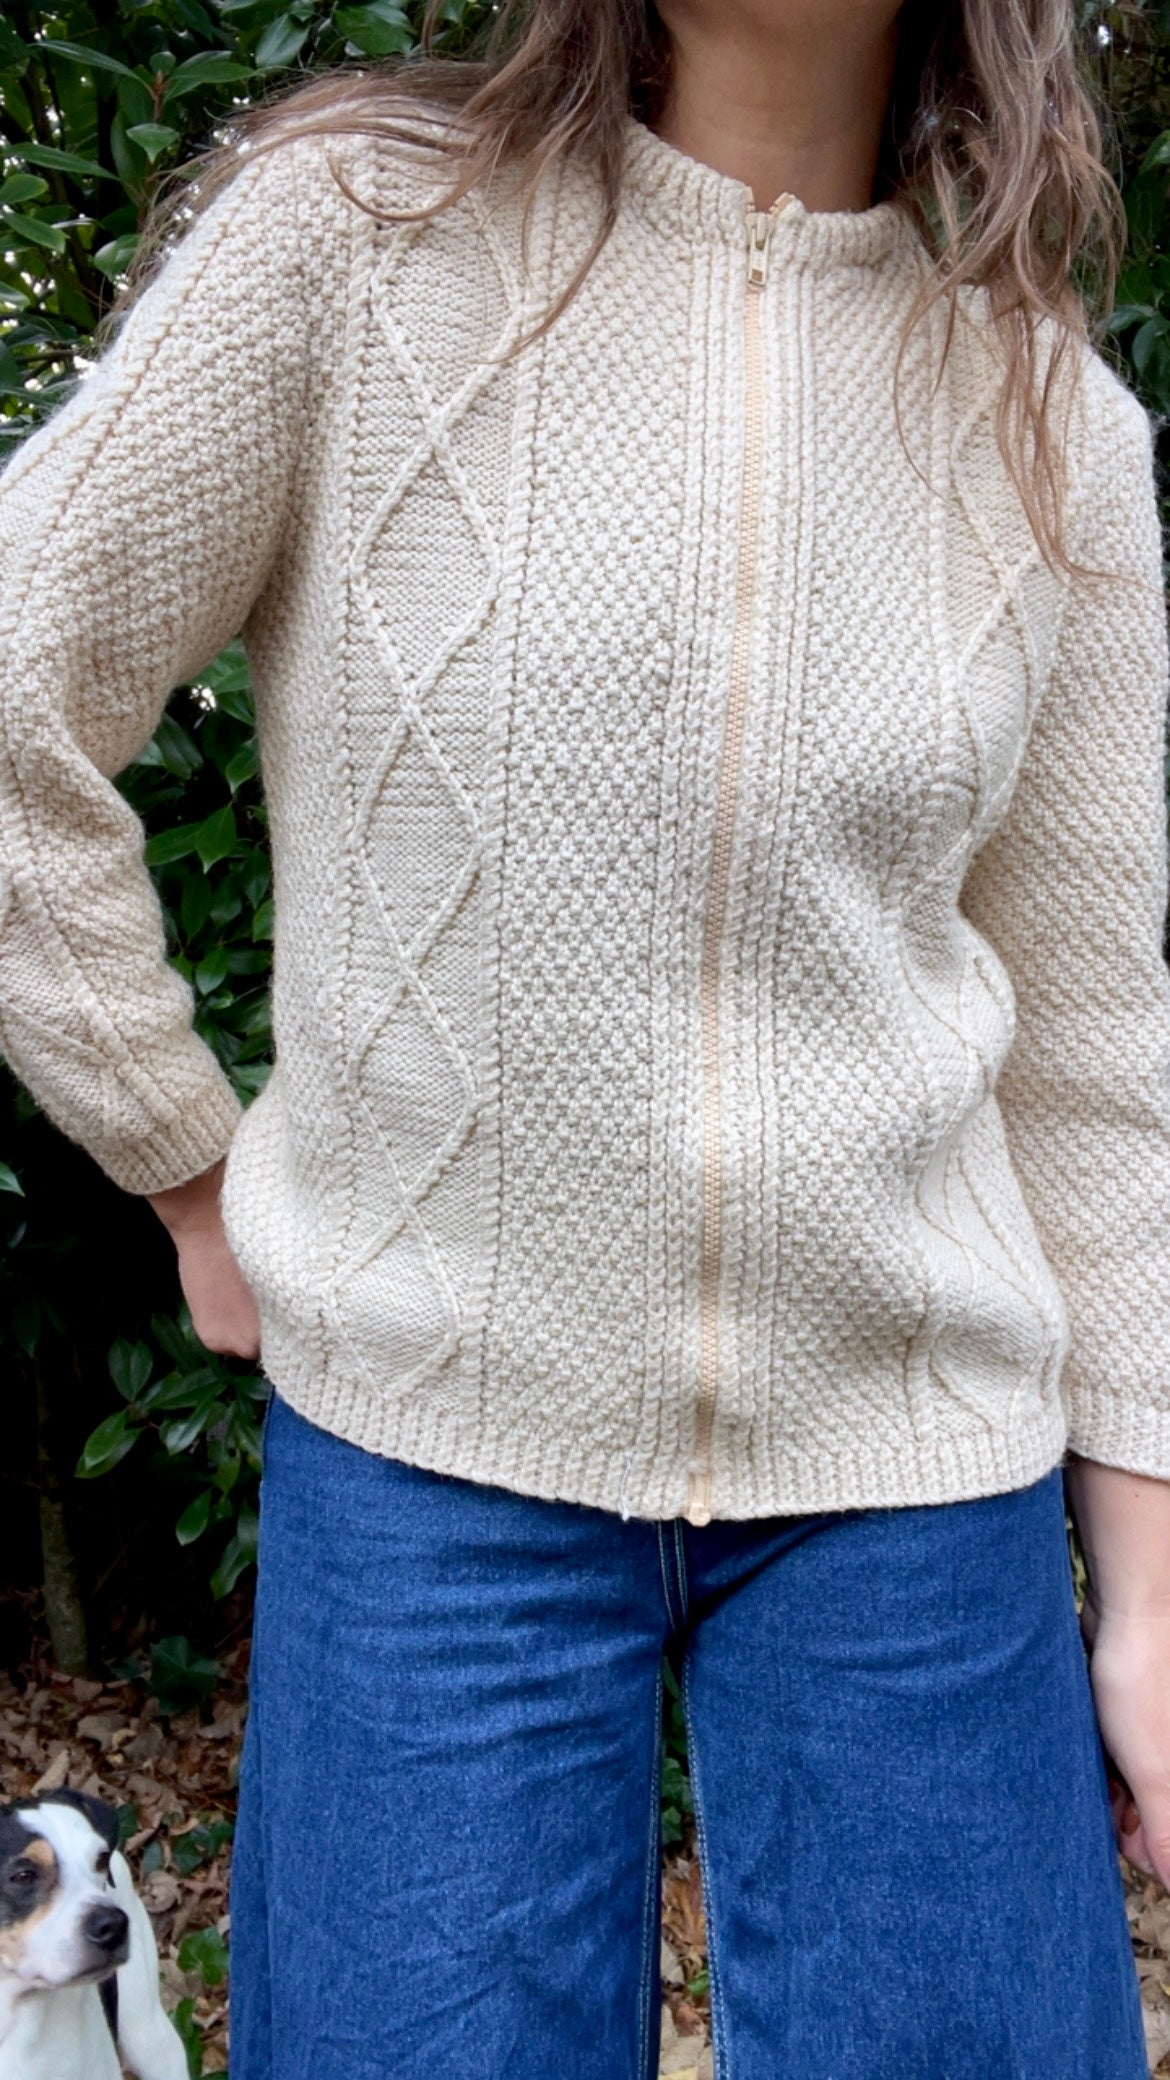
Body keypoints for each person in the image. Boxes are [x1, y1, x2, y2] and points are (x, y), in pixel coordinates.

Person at [2, 0, 1169, 2071]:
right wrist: (180, 1162)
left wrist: (1152, 1595)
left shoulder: (1048, 421)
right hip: (429, 1449)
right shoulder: (352, 242)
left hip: (920, 1474)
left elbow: (1094, 1046)